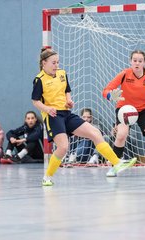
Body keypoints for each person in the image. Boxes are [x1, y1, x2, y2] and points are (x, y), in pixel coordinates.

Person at [32, 47, 136, 186]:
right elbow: (35, 101)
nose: (57, 65)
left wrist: (69, 100)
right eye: (53, 63)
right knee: (63, 147)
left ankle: (116, 163)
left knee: (95, 132)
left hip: (66, 113)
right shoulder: (39, 80)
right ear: (44, 63)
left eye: (58, 62)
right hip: (53, 116)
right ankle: (47, 177)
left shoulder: (62, 73)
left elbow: (67, 90)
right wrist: (47, 109)